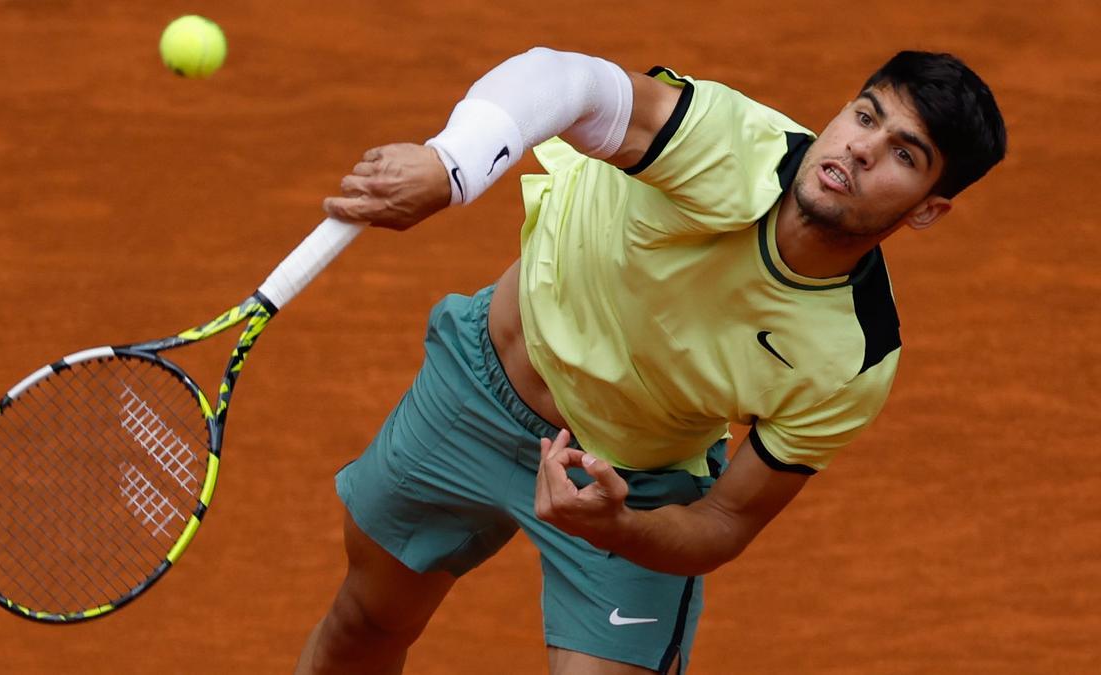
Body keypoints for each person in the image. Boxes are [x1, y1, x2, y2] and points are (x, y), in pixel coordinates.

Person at [295, 47, 1006, 674]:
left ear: (927, 209)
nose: (860, 148)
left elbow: (725, 521)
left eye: (904, 154)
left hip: (631, 478)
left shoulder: (851, 357)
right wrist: (451, 165)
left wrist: (615, 525)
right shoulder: (727, 144)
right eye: (864, 115)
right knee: (364, 626)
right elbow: (565, 80)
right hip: (474, 389)